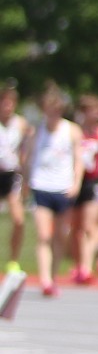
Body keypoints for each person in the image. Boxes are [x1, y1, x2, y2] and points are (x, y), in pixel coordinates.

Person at [25, 85, 81, 297]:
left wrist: (76, 183)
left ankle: (54, 275)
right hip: (42, 185)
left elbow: (78, 160)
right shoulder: (36, 131)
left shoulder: (72, 130)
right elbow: (28, 159)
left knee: (60, 235)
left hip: (63, 187)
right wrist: (25, 183)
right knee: (43, 234)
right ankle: (45, 279)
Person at [68, 94, 98, 284]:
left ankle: (86, 267)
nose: (96, 114)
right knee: (75, 227)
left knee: (90, 226)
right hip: (74, 182)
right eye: (92, 110)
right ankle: (78, 263)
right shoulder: (75, 133)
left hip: (93, 182)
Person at [0, 81, 26, 274]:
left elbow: (25, 151)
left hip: (11, 176)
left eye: (10, 103)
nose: (7, 107)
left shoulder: (21, 124)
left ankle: (13, 260)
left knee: (18, 219)